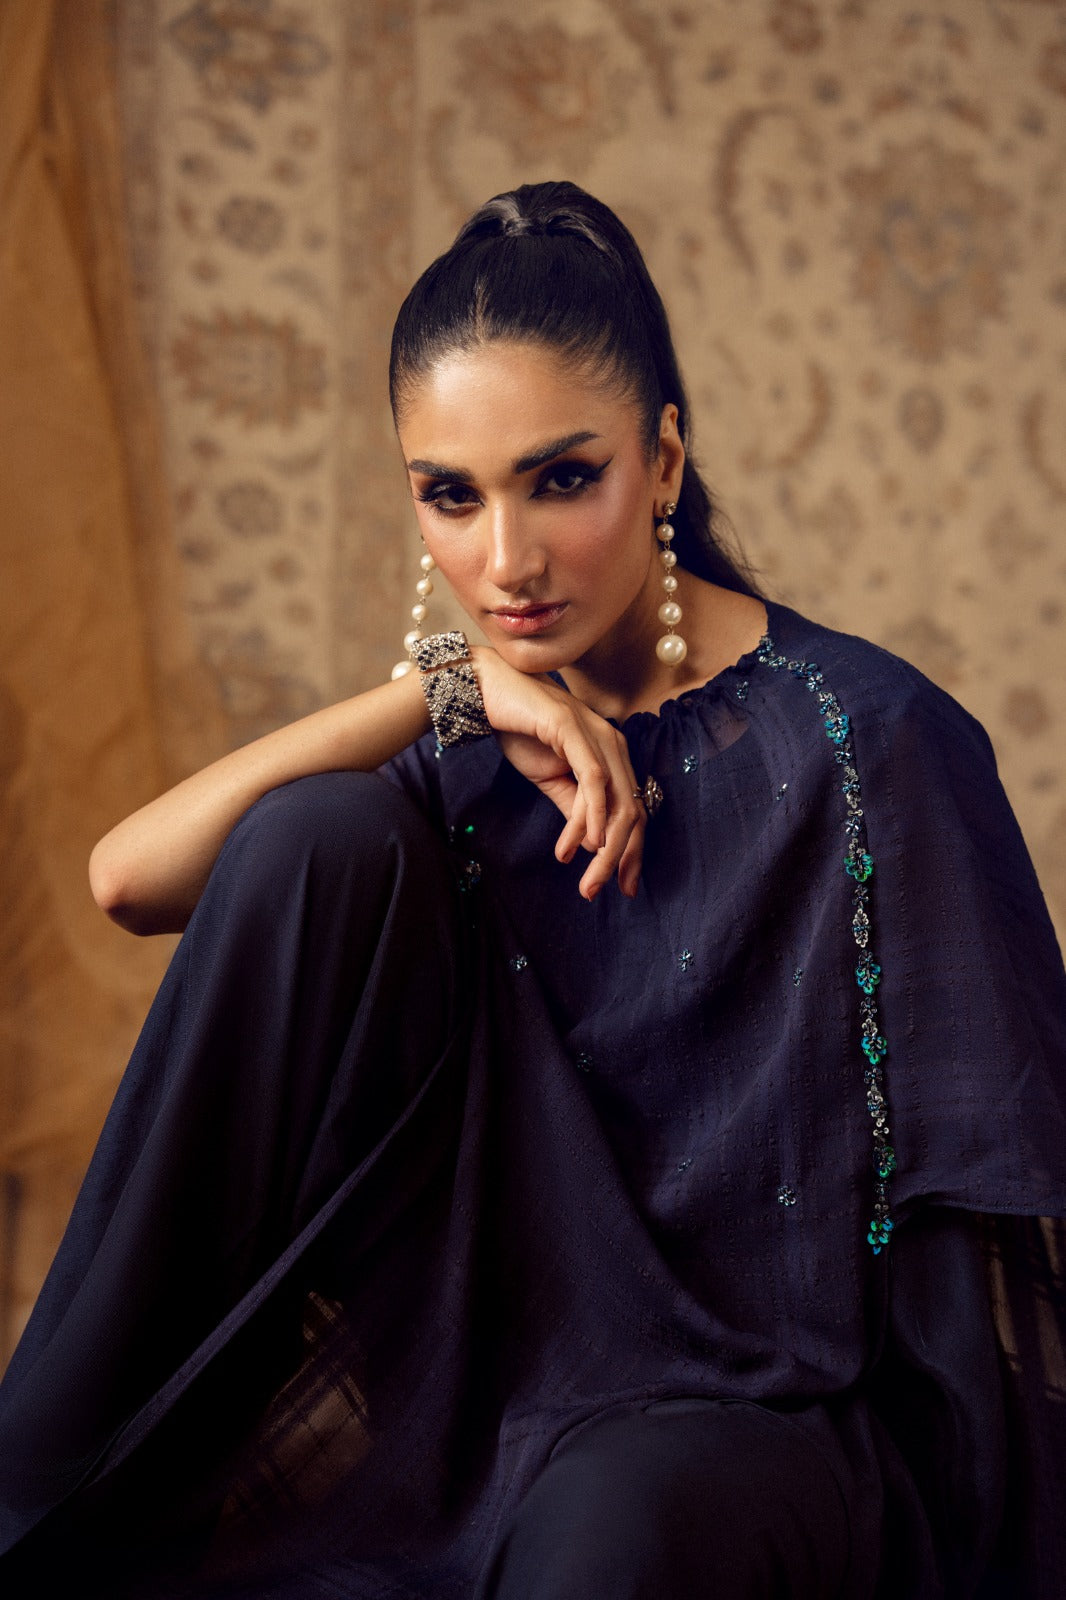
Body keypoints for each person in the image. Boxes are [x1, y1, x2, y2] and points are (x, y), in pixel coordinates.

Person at [0, 181, 1064, 1600]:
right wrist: (443, 689)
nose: (504, 562)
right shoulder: (466, 743)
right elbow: (129, 880)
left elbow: (991, 1216)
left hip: (756, 1412)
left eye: (561, 478)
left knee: (608, 1533)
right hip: (481, 1390)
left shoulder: (869, 741)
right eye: (451, 495)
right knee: (314, 835)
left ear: (663, 460)